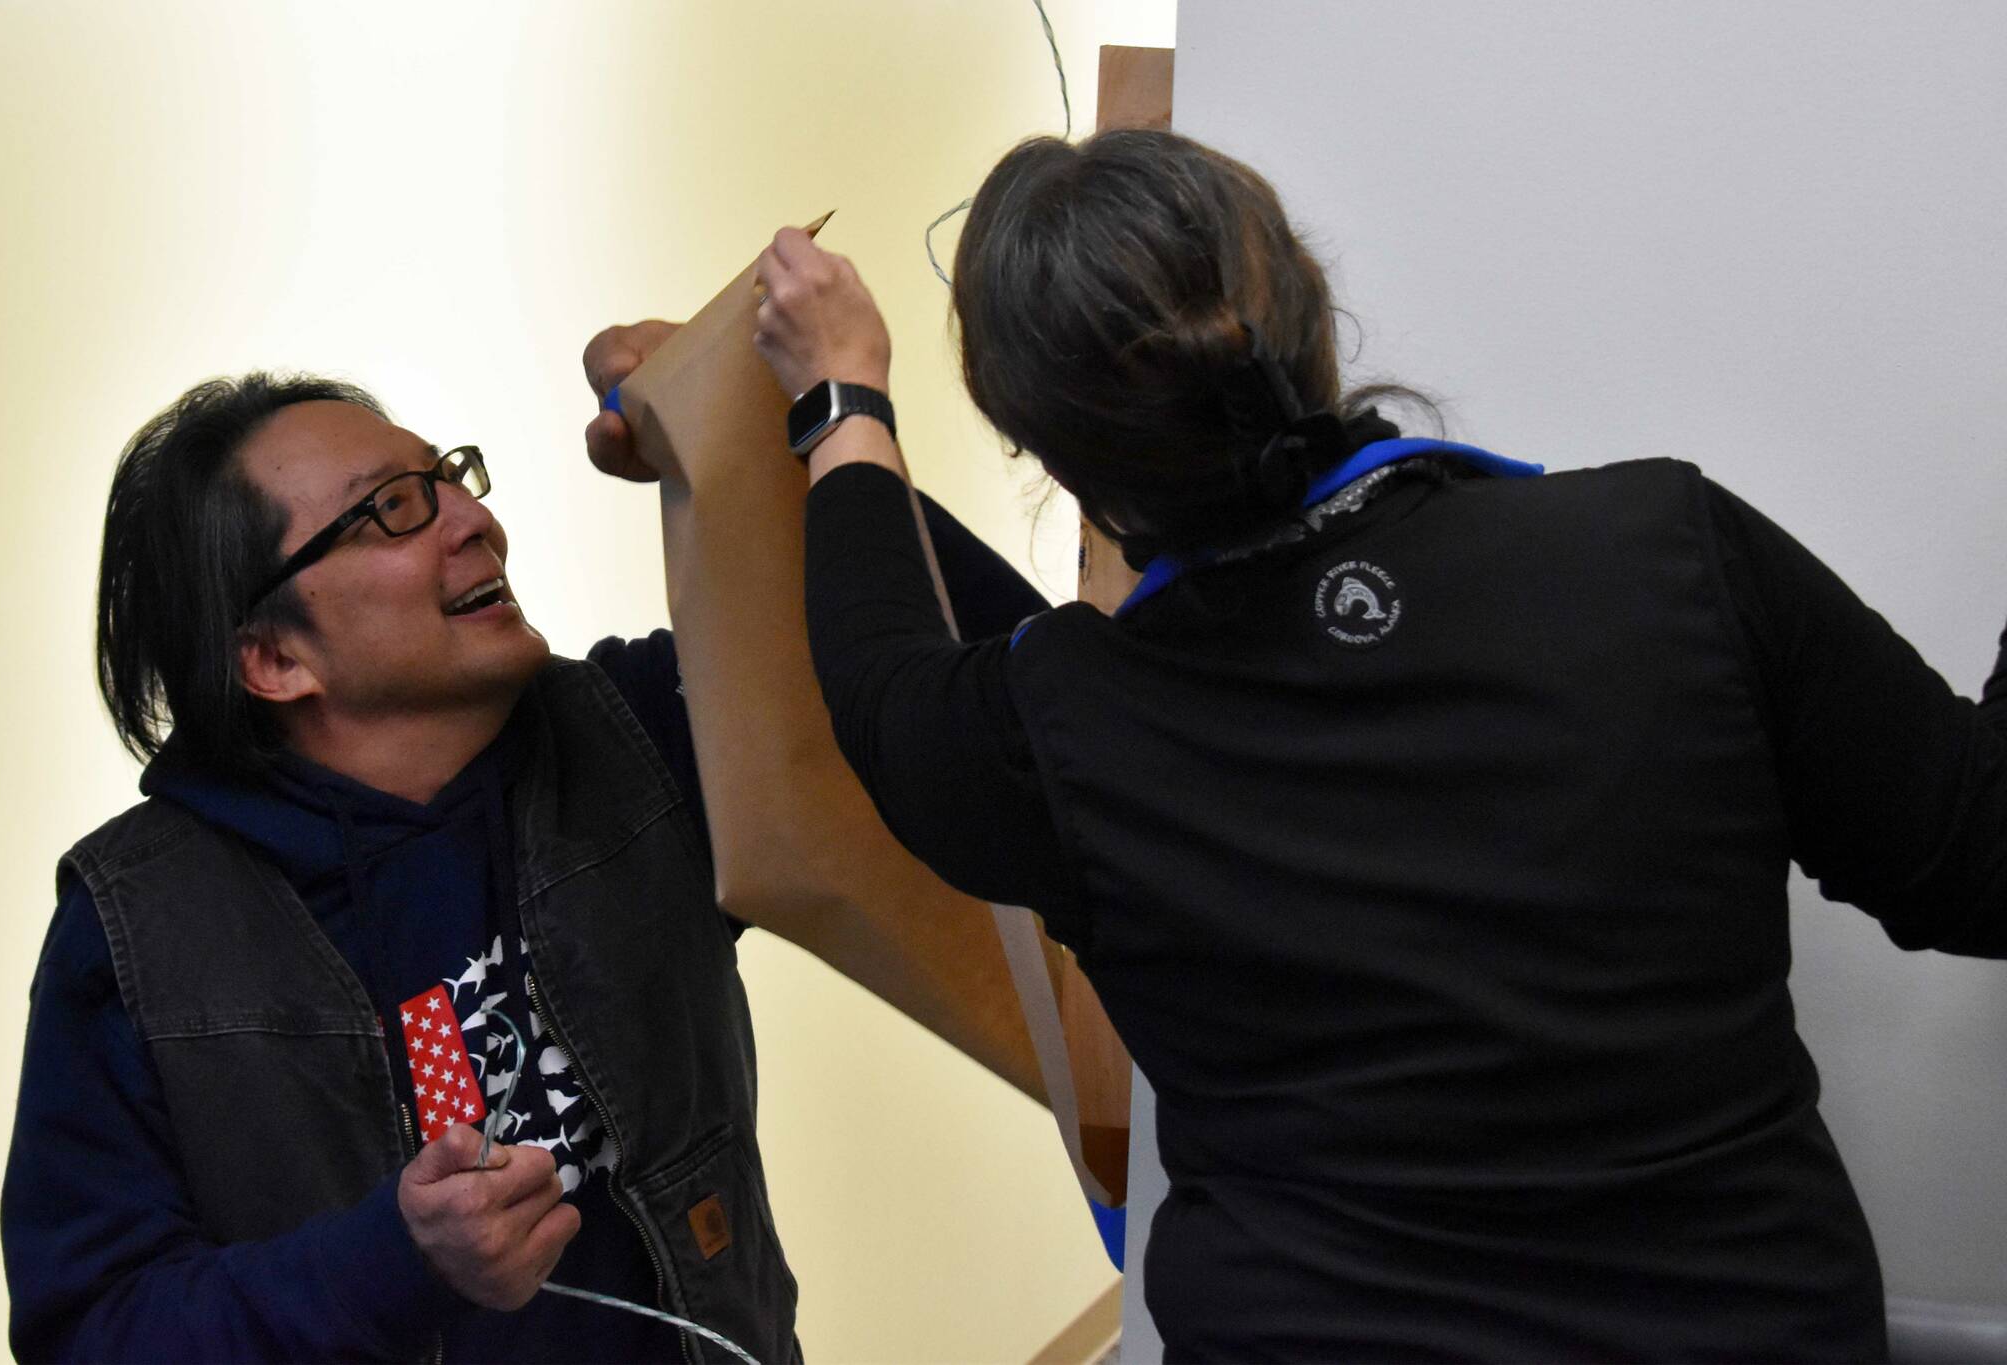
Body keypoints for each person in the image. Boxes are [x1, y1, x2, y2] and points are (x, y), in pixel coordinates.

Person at [748, 128, 2007, 1360]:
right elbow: (1980, 856)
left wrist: (839, 395)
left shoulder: (1053, 737)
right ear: (1305, 304)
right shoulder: (1666, 552)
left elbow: (882, 677)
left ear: (1044, 453)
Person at [1, 323, 1048, 1362]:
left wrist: (767, 428)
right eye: (394, 510)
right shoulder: (136, 930)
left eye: (448, 478)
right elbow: (90, 1331)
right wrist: (391, 1264)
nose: (473, 520)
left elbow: (996, 694)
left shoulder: (636, 733)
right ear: (272, 659)